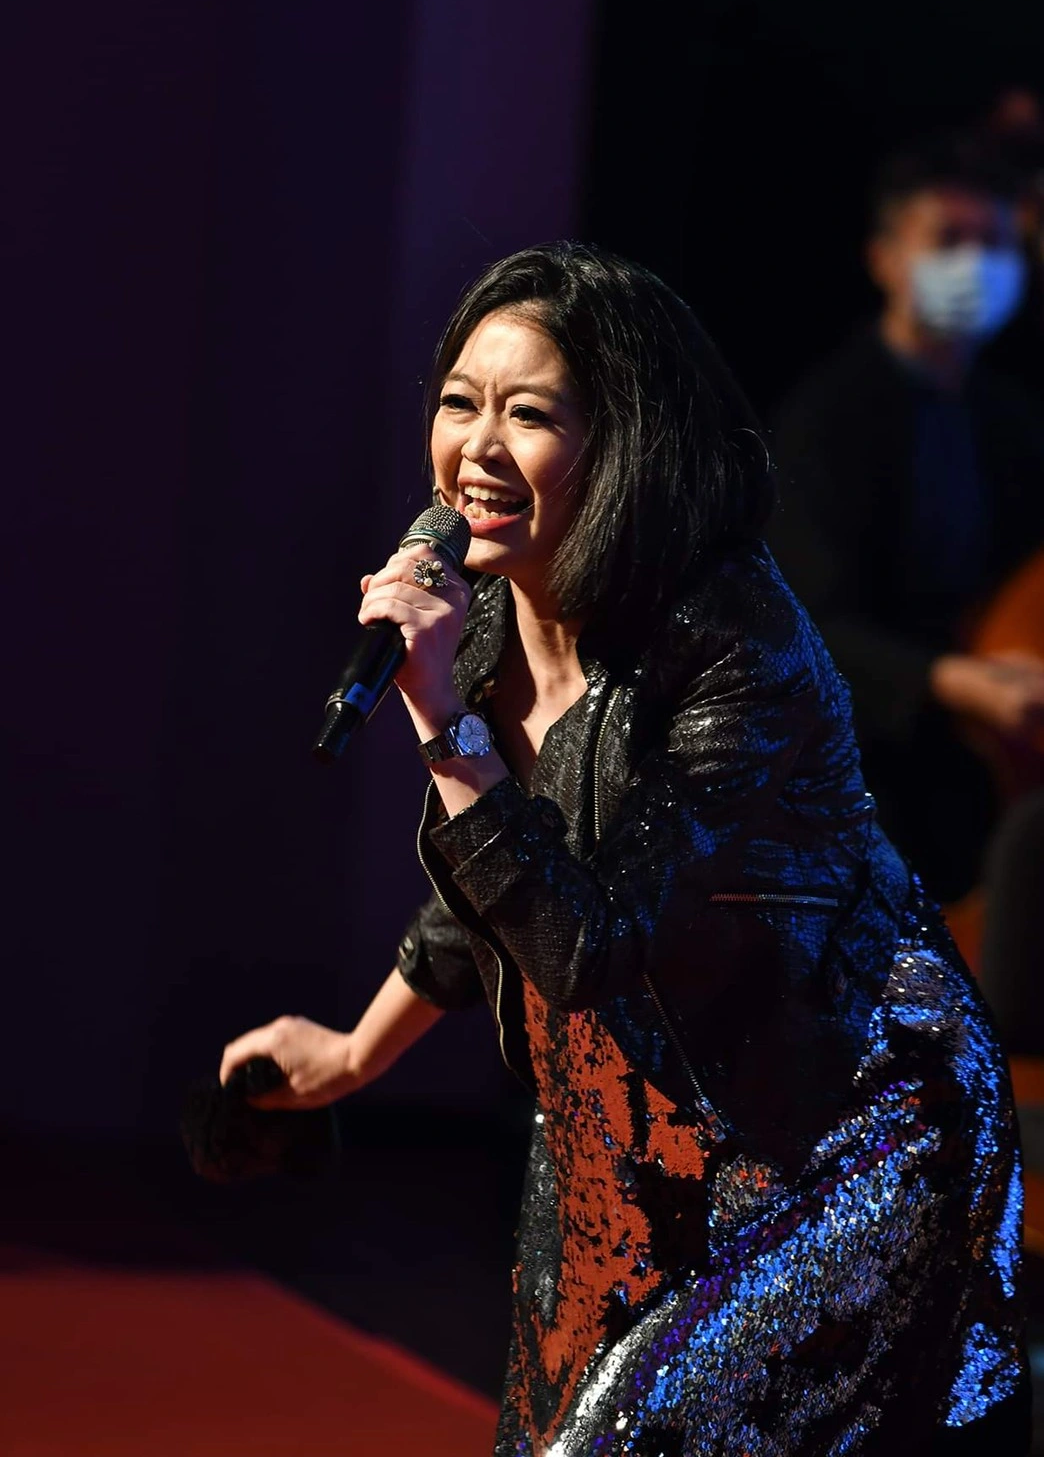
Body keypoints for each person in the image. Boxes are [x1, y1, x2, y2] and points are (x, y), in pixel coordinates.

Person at [220, 244, 1028, 1455]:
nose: (478, 447)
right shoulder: (485, 617)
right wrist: (351, 1052)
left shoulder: (734, 646)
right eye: (460, 401)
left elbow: (594, 941)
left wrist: (441, 722)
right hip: (626, 1115)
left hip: (838, 1125)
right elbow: (493, 892)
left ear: (622, 444)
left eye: (530, 414)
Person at [768, 138, 1044, 905]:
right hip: (861, 780)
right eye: (949, 240)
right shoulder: (827, 416)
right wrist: (950, 679)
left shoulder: (1010, 417)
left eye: (994, 243)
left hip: (986, 766)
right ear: (885, 258)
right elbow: (802, 621)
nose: (976, 264)